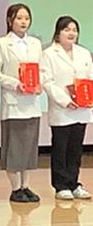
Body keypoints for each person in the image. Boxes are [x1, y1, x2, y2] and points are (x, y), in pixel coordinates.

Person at [0, 3, 44, 203]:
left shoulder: (35, 43)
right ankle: (15, 188)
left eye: (26, 18)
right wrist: (15, 84)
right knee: (14, 148)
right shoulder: (2, 43)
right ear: (10, 20)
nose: (23, 22)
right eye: (19, 18)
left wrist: (40, 83)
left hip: (32, 102)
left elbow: (42, 70)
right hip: (13, 102)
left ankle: (26, 186)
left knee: (29, 148)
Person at [41, 16, 93, 200]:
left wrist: (88, 96)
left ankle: (74, 183)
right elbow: (47, 81)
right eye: (67, 29)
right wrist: (65, 100)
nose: (71, 33)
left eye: (74, 30)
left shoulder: (84, 53)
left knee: (76, 148)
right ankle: (60, 185)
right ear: (58, 33)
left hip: (82, 107)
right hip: (62, 108)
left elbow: (90, 77)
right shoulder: (49, 53)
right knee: (60, 147)